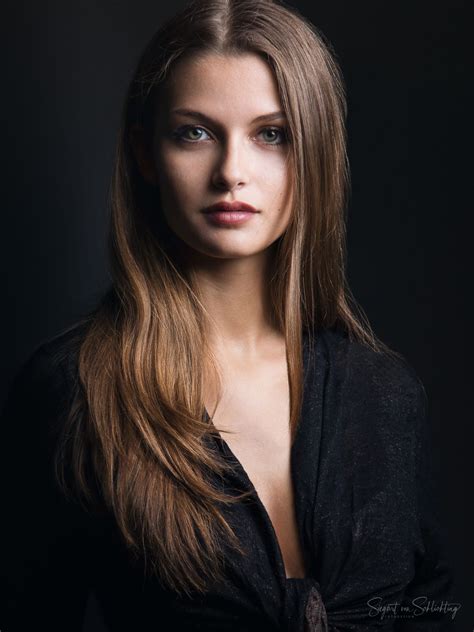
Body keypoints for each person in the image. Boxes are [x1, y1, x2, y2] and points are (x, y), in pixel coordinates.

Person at [0, 0, 454, 630]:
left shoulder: (386, 395)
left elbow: (435, 606)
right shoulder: (73, 394)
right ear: (144, 153)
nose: (231, 173)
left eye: (272, 134)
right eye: (196, 132)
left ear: (315, 153)